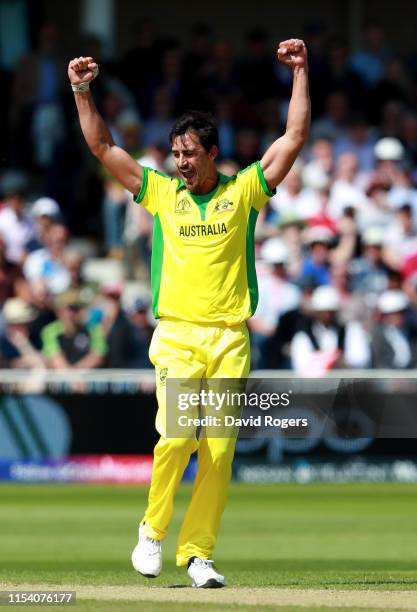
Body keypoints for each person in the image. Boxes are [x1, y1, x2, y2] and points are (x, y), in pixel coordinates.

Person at [67, 38, 310, 588]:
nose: (180, 163)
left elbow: (293, 137)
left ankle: (198, 553)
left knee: (219, 452)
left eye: (189, 154)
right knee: (177, 439)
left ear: (210, 153)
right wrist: (82, 91)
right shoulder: (161, 193)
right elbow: (105, 148)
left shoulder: (245, 190)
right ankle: (151, 533)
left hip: (229, 337)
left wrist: (299, 72)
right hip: (177, 335)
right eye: (175, 154)